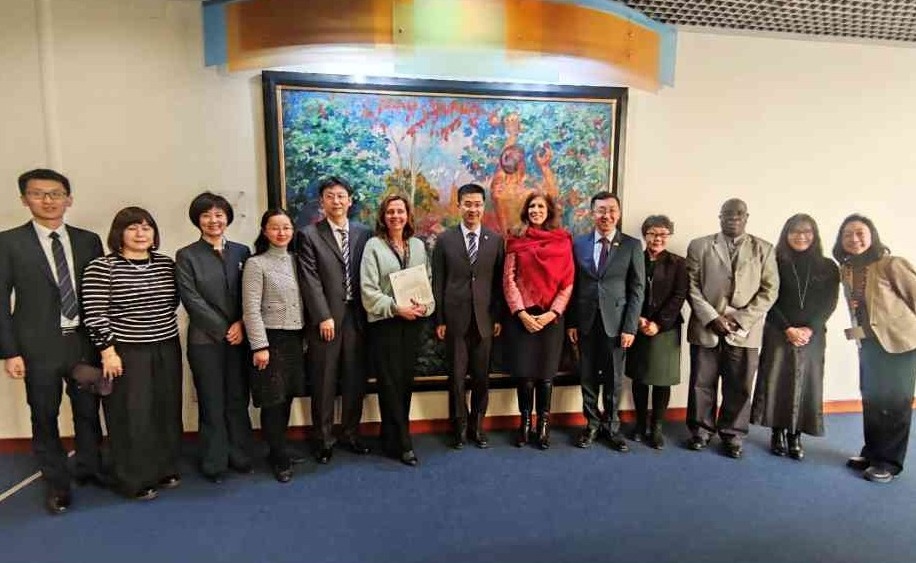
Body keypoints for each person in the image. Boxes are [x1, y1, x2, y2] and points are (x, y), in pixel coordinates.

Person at [0, 169, 105, 514]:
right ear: (24, 199)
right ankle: (57, 483)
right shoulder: (8, 242)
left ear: (68, 199)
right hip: (37, 347)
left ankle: (89, 468)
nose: (48, 200)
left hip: (83, 342)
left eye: (56, 193)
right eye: (38, 193)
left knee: (88, 411)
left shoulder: (88, 240)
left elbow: (99, 293)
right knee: (45, 415)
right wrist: (9, 351)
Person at [81, 207, 182, 500]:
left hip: (166, 345)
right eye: (132, 228)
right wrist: (107, 352)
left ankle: (164, 468)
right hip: (125, 351)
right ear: (119, 233)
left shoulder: (166, 264)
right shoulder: (102, 267)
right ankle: (133, 478)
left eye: (146, 228)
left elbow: (172, 302)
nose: (140, 234)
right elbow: (95, 314)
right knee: (132, 414)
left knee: (165, 409)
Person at [685, 198, 779, 459]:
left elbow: (770, 291)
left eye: (739, 214)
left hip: (744, 331)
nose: (733, 218)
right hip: (707, 327)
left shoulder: (764, 249)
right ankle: (701, 430)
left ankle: (733, 434)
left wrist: (740, 319)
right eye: (728, 214)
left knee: (740, 385)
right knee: (701, 383)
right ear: (720, 217)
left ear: (747, 217)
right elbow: (691, 286)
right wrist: (712, 317)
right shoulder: (700, 245)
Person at [176, 192, 255, 483]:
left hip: (240, 337)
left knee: (237, 398)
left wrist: (242, 324)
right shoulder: (187, 255)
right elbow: (191, 299)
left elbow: (251, 292)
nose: (213, 220)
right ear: (197, 220)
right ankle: (214, 462)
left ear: (227, 218)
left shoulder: (242, 252)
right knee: (211, 401)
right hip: (205, 341)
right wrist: (224, 329)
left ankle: (240, 455)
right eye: (206, 215)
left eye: (219, 214)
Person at [833, 214, 916, 484]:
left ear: (872, 235)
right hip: (868, 345)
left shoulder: (892, 264)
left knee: (895, 404)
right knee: (872, 400)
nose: (854, 239)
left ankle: (888, 463)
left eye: (860, 233)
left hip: (899, 345)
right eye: (847, 234)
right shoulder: (847, 269)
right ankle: (872, 453)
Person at [751, 214, 839, 460]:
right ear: (786, 234)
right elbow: (768, 299)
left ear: (815, 235)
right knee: (777, 381)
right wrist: (787, 328)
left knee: (806, 383)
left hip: (813, 335)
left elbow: (829, 302)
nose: (801, 236)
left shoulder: (828, 266)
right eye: (795, 231)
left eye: (807, 231)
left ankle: (795, 435)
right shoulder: (774, 261)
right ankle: (777, 432)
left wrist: (810, 329)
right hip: (779, 330)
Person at [297, 177, 372, 464]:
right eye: (330, 196)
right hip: (326, 319)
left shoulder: (364, 234)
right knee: (324, 381)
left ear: (350, 201)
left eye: (341, 196)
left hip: (358, 317)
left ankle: (351, 433)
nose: (336, 201)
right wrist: (322, 316)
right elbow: (310, 279)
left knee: (355, 379)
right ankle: (323, 440)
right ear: (322, 202)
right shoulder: (309, 235)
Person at [567, 192, 645, 452]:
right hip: (586, 321)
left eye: (611, 210)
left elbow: (637, 289)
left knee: (614, 378)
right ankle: (591, 424)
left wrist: (630, 327)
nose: (606, 215)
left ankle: (611, 427)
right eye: (601, 210)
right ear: (593, 214)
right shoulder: (579, 244)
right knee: (587, 376)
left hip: (617, 323)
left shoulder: (632, 245)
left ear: (618, 214)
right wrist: (572, 322)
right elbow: (574, 285)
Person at [360, 194, 434, 466]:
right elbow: (368, 291)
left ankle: (390, 437)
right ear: (383, 216)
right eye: (390, 211)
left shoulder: (417, 245)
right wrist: (395, 308)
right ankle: (404, 443)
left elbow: (427, 281)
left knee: (404, 383)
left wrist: (425, 306)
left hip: (412, 323)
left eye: (400, 211)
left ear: (408, 215)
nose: (395, 216)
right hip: (386, 324)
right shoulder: (373, 246)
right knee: (389, 383)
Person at [432, 183, 505, 450]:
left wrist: (497, 317)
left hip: (485, 320)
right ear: (459, 206)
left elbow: (499, 284)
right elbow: (438, 282)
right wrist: (439, 319)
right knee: (456, 377)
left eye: (477, 205)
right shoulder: (445, 240)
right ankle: (459, 427)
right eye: (468, 204)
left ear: (483, 207)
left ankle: (477, 425)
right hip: (455, 320)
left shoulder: (495, 240)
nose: (473, 209)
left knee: (481, 377)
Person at [503, 191, 574, 450]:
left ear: (549, 211)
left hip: (551, 319)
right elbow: (509, 279)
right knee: (525, 375)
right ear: (526, 211)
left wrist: (552, 314)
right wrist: (521, 313)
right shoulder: (516, 239)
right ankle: (524, 424)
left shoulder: (563, 241)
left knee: (545, 375)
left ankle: (543, 425)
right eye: (532, 206)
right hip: (522, 317)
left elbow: (568, 283)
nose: (536, 210)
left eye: (541, 206)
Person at [242, 209, 306, 483]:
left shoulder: (298, 260)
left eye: (286, 227)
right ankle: (278, 456)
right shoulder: (256, 264)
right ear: (265, 231)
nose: (281, 233)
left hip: (295, 339)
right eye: (275, 227)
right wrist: (259, 346)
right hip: (270, 339)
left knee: (287, 396)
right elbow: (250, 309)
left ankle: (279, 448)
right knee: (272, 401)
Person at [625, 215, 687, 450]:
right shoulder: (635, 258)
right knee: (640, 377)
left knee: (662, 380)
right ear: (645, 235)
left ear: (669, 236)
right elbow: (628, 291)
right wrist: (639, 319)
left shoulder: (678, 263)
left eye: (662, 234)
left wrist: (658, 324)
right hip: (638, 326)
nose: (657, 238)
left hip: (666, 329)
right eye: (652, 233)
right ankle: (641, 424)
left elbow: (679, 296)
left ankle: (657, 427)